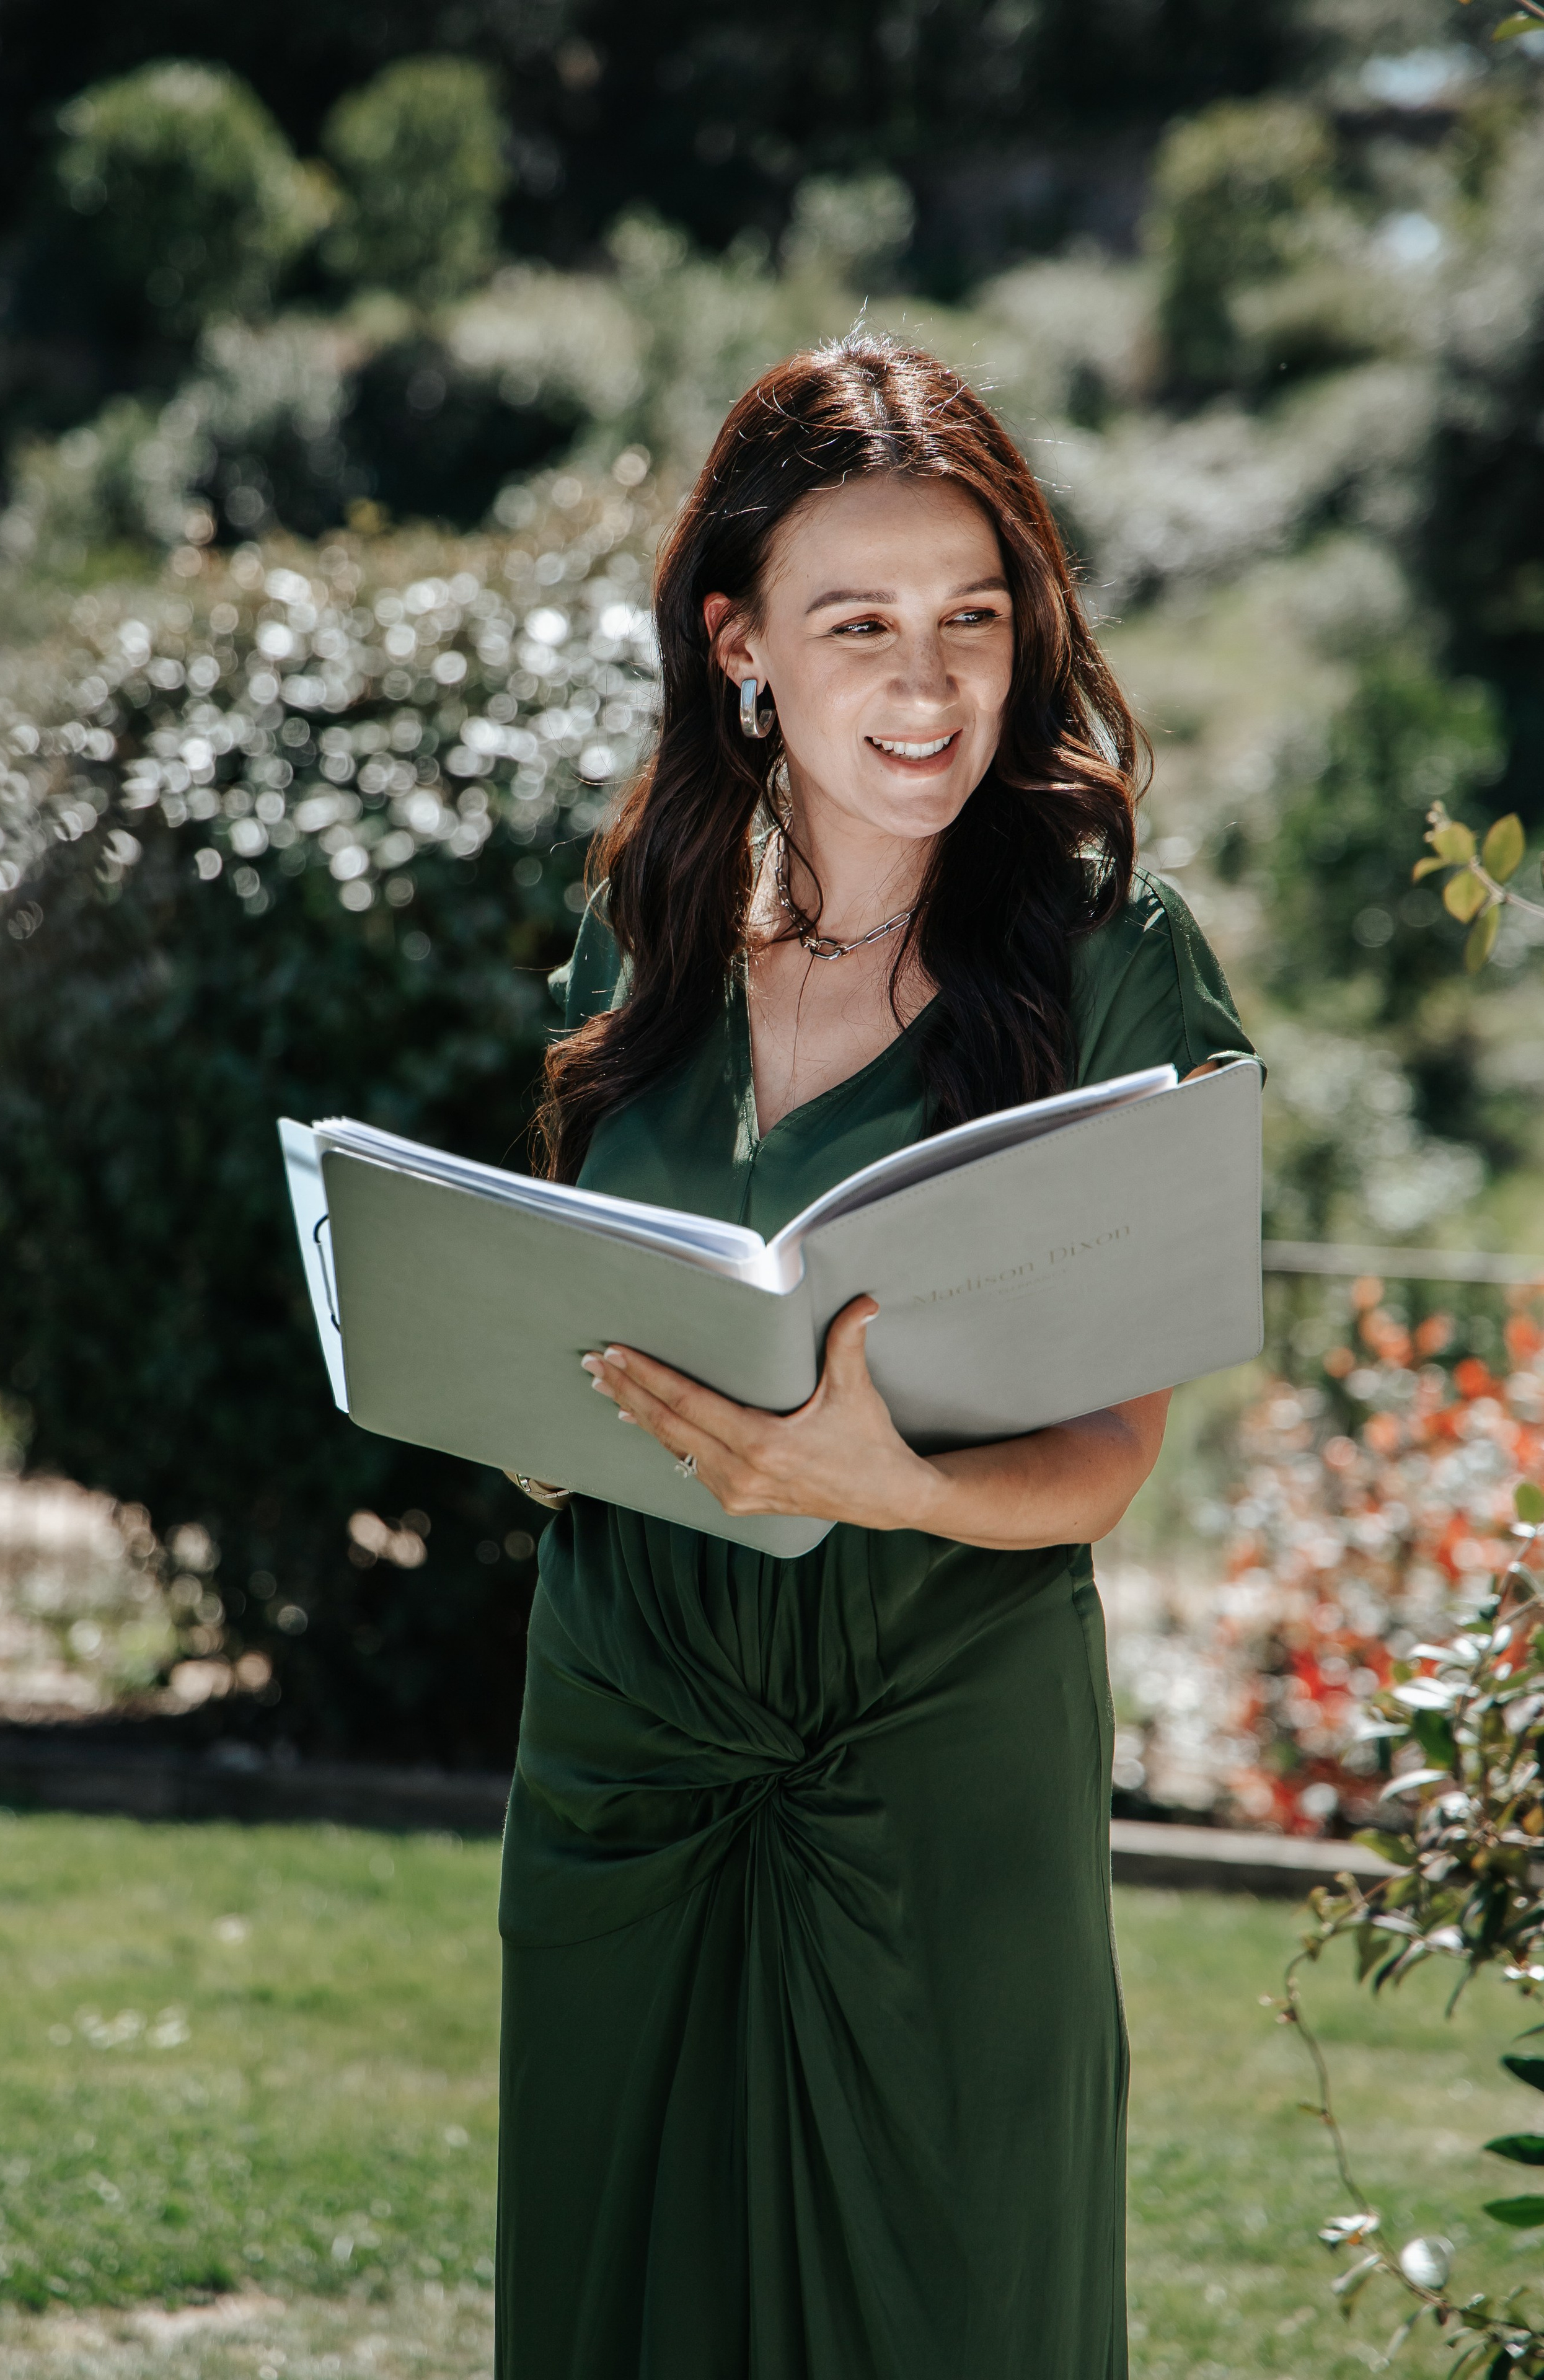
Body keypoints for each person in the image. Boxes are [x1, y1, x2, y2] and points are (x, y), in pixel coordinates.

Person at [493, 331, 1255, 2379]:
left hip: (939, 1744)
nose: (927, 688)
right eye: (860, 626)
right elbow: (564, 1330)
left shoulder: (1113, 960)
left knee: (957, 2305)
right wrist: (540, 1411)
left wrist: (890, 1485)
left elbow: (1111, 1457)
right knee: (615, 2304)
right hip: (624, 1741)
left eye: (971, 621)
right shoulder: (637, 938)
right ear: (742, 644)